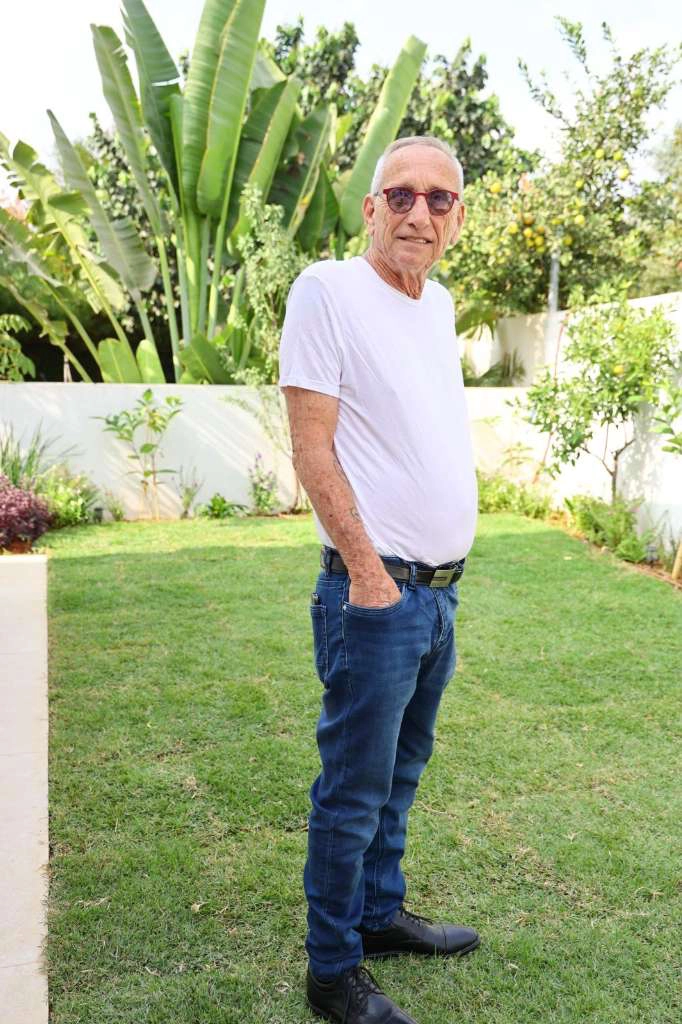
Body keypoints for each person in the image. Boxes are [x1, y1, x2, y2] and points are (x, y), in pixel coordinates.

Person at [278, 135, 480, 1024]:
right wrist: (367, 574)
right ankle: (332, 970)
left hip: (437, 594)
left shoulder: (438, 306)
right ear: (370, 208)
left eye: (439, 199)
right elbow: (312, 448)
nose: (418, 213)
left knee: (401, 773)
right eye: (401, 195)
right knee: (353, 790)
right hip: (376, 591)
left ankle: (379, 912)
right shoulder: (327, 290)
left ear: (457, 219)